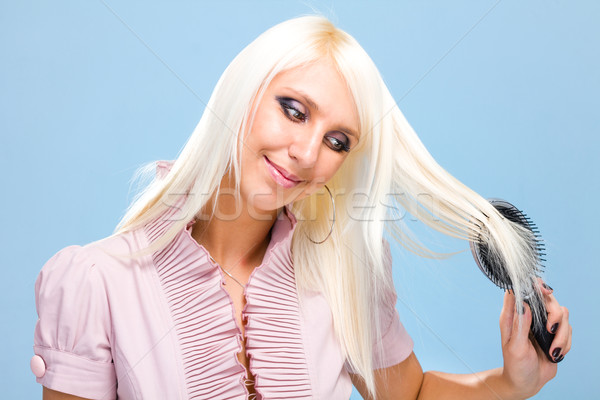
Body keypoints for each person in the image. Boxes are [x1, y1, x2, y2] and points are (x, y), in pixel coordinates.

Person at [31, 15, 571, 400]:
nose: (308, 154)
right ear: (243, 95)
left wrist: (512, 384)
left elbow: (410, 395)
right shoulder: (96, 282)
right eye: (293, 111)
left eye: (338, 141)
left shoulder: (345, 270)